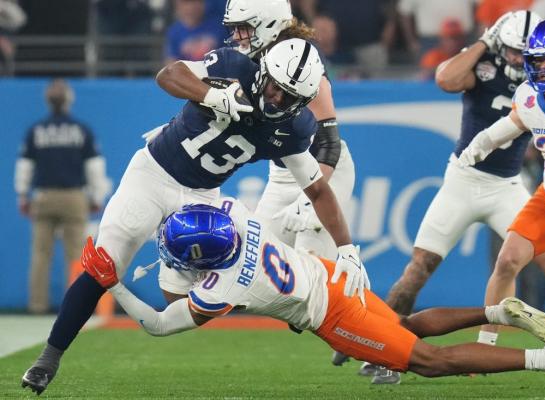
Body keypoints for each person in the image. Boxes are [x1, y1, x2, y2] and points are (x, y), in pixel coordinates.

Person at [21, 39, 367, 395]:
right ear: (263, 73)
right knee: (106, 261)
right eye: (276, 87)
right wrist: (213, 96)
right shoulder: (234, 68)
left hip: (202, 198)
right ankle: (49, 357)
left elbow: (318, 190)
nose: (277, 99)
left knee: (186, 302)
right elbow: (168, 75)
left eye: (289, 97)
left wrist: (346, 248)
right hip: (153, 175)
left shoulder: (293, 129)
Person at [77, 198, 545, 397]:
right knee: (405, 326)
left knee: (427, 362)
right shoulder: (236, 217)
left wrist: (113, 282)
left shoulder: (225, 287)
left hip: (330, 310)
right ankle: (498, 310)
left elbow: (161, 323)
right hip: (330, 275)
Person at [369, 11, 545, 384]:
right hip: (463, 181)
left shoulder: (544, 84)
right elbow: (444, 79)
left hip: (508, 185)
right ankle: (379, 346)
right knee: (417, 269)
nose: (521, 60)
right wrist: (485, 41)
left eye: (527, 52)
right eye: (515, 51)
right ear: (501, 45)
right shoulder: (483, 65)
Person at [457, 19, 545, 368]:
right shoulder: (529, 97)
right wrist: (481, 144)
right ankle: (487, 344)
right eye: (538, 60)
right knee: (508, 260)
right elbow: (512, 124)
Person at [223, 0, 355, 261]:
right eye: (236, 27)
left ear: (268, 23)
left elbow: (329, 143)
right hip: (284, 173)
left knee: (314, 269)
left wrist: (309, 200)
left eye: (244, 27)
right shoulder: (253, 57)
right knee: (256, 264)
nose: (237, 35)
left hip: (321, 170)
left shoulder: (298, 59)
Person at [14, 79, 110, 314]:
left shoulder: (36, 130)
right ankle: (76, 307)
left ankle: (37, 305)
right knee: (77, 254)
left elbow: (24, 166)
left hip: (44, 196)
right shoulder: (80, 130)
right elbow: (95, 167)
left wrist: (23, 194)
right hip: (73, 197)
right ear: (69, 100)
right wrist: (97, 195)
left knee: (40, 253)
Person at [164, 0, 228, 63]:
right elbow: (171, 63)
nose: (191, 7)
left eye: (195, 1)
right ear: (177, 6)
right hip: (187, 72)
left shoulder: (219, 26)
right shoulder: (174, 32)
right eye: (185, 3)